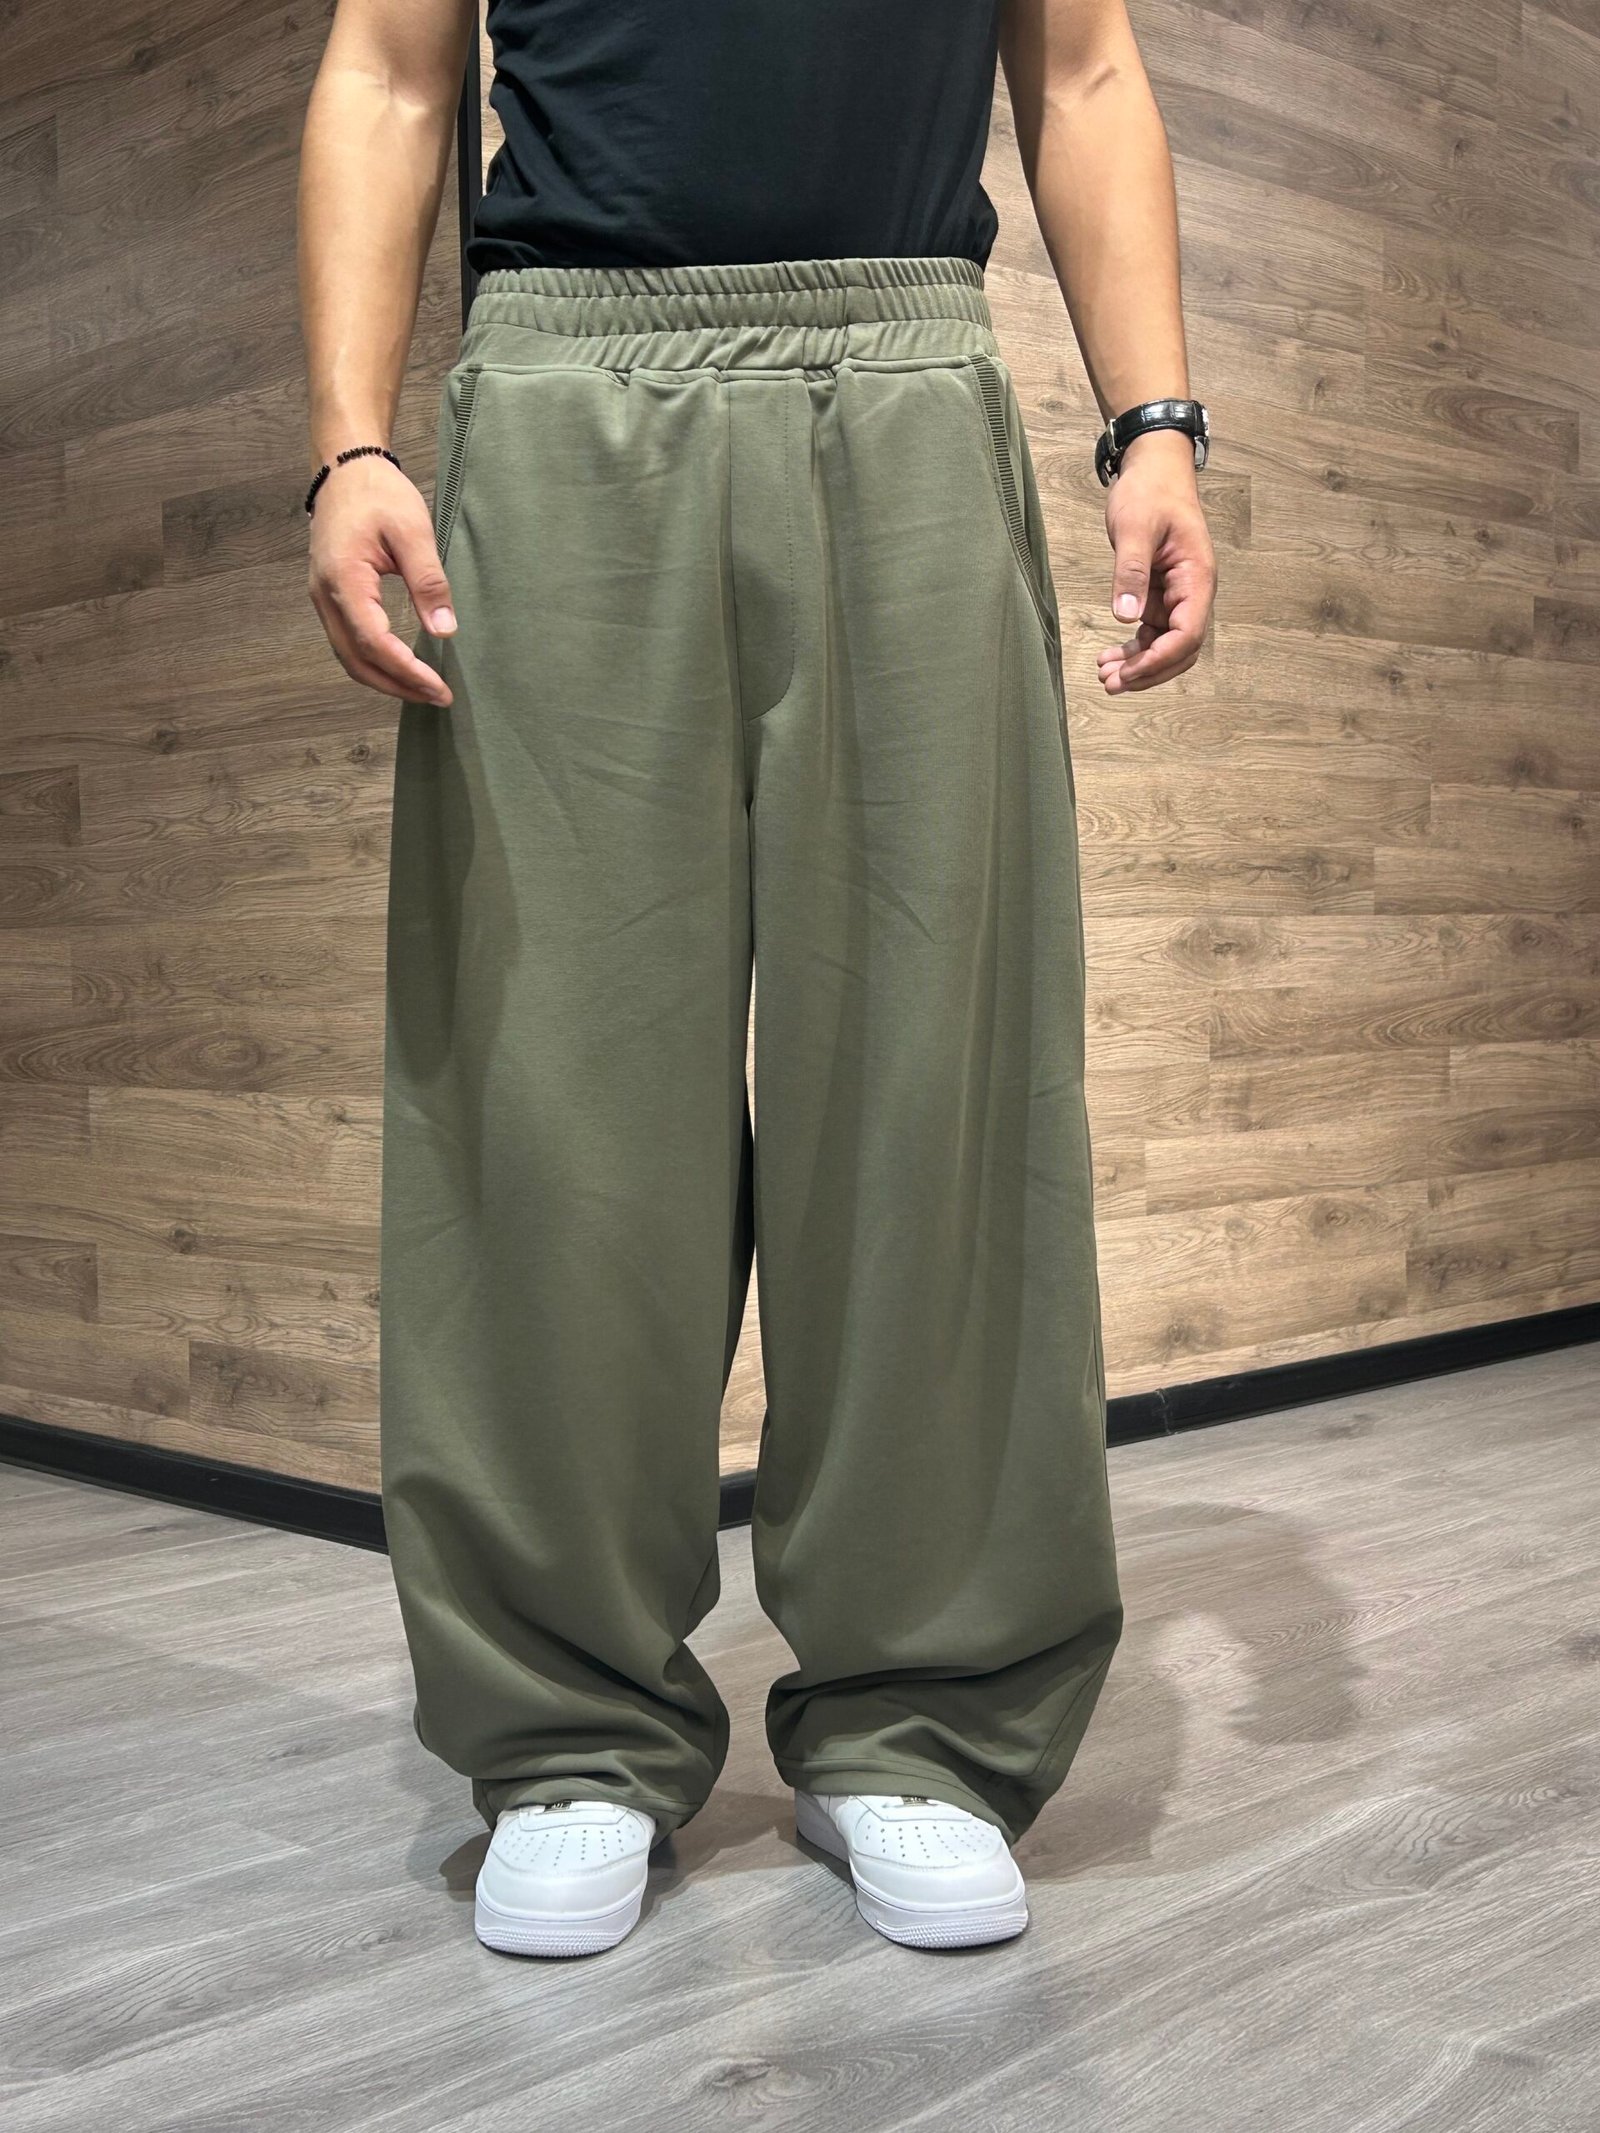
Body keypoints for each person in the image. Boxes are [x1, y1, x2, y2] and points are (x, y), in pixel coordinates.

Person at [298, 0, 1216, 1959]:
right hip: (559, 387)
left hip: (908, 372)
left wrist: (1154, 416)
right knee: (550, 1086)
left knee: (928, 1077)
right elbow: (387, 64)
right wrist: (351, 440)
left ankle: (922, 1710)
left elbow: (1080, 68)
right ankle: (566, 1724)